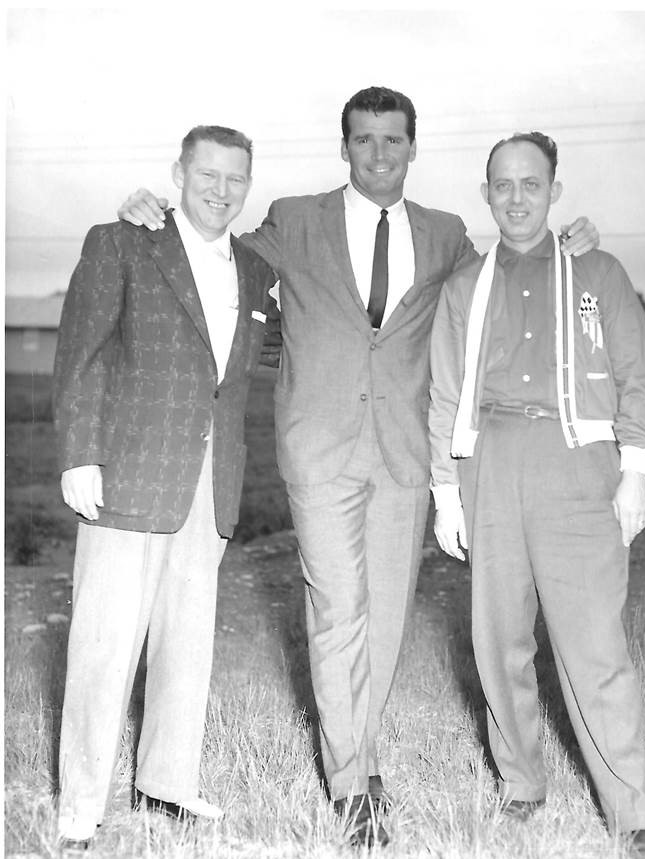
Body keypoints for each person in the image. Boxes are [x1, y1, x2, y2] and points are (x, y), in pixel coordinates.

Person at [116, 88, 599, 849]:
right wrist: (152, 213)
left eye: (392, 140)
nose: (378, 153)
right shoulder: (294, 218)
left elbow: (503, 284)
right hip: (320, 449)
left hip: (405, 454)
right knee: (337, 607)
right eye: (363, 139)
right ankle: (353, 782)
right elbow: (213, 248)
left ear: (413, 148)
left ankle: (358, 749)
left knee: (387, 617)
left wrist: (573, 242)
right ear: (344, 148)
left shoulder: (444, 236)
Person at [52, 125, 277, 855]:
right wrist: (78, 455)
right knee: (103, 643)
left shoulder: (255, 265)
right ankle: (81, 802)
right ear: (178, 173)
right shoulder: (122, 240)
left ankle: (166, 783)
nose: (219, 190)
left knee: (186, 644)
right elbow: (80, 350)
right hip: (128, 473)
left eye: (234, 179)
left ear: (249, 184)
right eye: (206, 174)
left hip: (210, 485)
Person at [429, 131, 645, 855]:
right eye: (501, 185)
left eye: (530, 184)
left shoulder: (598, 272)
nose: (515, 197)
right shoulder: (464, 284)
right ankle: (520, 782)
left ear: (554, 191)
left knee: (595, 641)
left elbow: (635, 376)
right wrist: (445, 494)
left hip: (577, 461)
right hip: (488, 459)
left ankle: (629, 800)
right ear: (484, 193)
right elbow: (442, 391)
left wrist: (635, 474)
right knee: (498, 637)